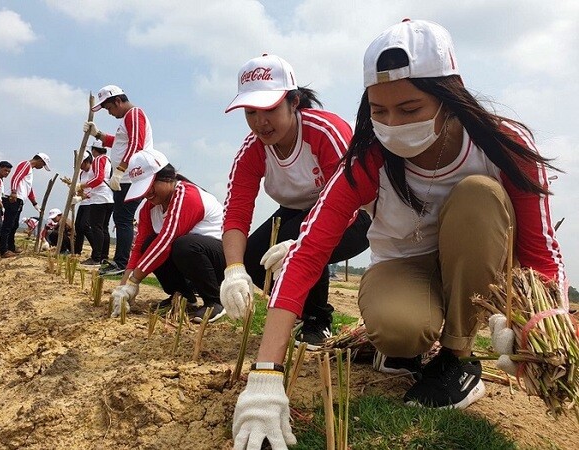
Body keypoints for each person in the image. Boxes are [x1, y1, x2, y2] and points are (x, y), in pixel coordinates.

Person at [230, 19, 567, 448]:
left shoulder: (500, 144)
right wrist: (264, 377)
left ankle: (457, 359)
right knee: (398, 330)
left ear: (450, 95)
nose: (393, 124)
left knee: (479, 196)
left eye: (409, 110)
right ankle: (406, 340)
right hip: (404, 264)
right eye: (379, 111)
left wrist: (546, 318)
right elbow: (311, 252)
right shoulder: (369, 160)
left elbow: (541, 250)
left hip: (473, 262)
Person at [220, 54, 371, 348]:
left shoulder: (326, 132)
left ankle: (318, 319)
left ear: (294, 102)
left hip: (354, 215)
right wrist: (234, 271)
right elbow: (236, 212)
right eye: (250, 112)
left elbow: (348, 203)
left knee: (292, 237)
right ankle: (298, 310)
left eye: (270, 109)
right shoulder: (252, 150)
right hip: (296, 212)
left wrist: (302, 244)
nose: (260, 122)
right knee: (254, 258)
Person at [109, 149, 227, 323]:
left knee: (182, 245)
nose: (147, 194)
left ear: (166, 177)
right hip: (191, 265)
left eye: (150, 186)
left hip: (218, 262)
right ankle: (183, 296)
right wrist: (124, 287)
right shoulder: (149, 209)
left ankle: (214, 301)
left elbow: (166, 241)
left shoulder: (187, 196)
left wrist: (134, 282)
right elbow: (140, 247)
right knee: (149, 244)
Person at [83, 85, 153, 275]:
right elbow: (120, 142)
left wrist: (120, 170)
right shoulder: (127, 118)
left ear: (117, 101)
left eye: (109, 108)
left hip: (130, 177)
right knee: (121, 218)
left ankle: (122, 263)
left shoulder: (134, 113)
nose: (110, 113)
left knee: (123, 219)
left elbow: (136, 143)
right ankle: (121, 261)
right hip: (125, 177)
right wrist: (98, 135)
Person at [0, 153, 51, 258]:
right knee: (8, 225)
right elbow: (16, 178)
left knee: (14, 225)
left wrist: (35, 204)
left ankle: (11, 247)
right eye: (43, 165)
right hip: (13, 198)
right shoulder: (26, 165)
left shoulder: (30, 170)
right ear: (40, 160)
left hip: (19, 200)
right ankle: (3, 250)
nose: (41, 167)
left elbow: (29, 189)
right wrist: (14, 192)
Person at [77, 141, 114, 266]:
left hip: (99, 198)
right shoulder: (108, 160)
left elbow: (98, 178)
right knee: (104, 228)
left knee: (97, 228)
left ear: (94, 150)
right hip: (108, 197)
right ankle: (103, 256)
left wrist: (83, 185)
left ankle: (96, 257)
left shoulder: (98, 160)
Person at [73, 151, 95, 259]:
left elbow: (95, 187)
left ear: (87, 161)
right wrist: (78, 194)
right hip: (83, 202)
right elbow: (81, 188)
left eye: (81, 164)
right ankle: (77, 252)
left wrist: (85, 195)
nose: (80, 167)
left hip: (92, 202)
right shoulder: (82, 174)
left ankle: (96, 248)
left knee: (85, 226)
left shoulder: (93, 171)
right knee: (78, 226)